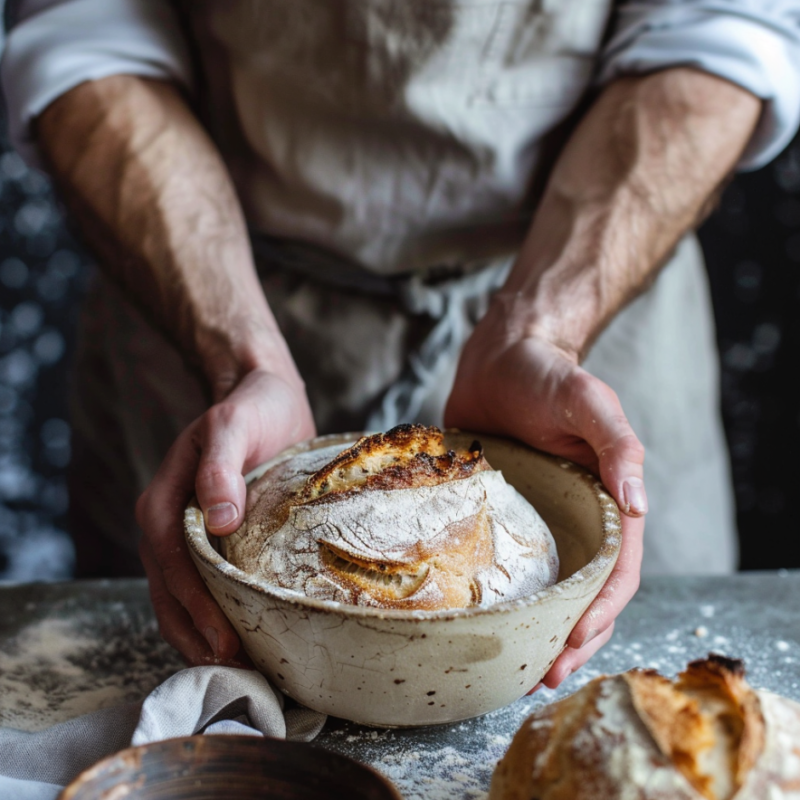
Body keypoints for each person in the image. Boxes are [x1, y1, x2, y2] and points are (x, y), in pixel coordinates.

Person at [1, 1, 797, 687]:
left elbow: (717, 28)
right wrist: (243, 356)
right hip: (209, 302)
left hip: (584, 317)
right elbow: (88, 29)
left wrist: (542, 327)